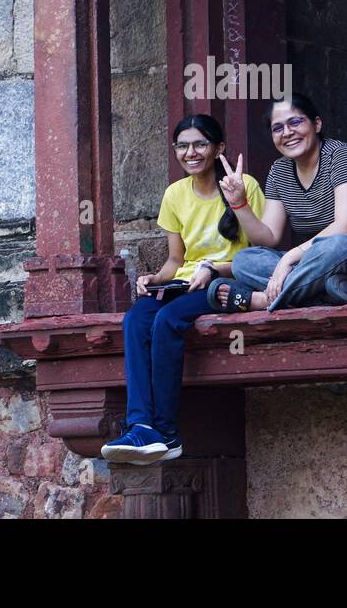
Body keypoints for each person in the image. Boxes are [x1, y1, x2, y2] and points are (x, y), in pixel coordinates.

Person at [101, 114, 264, 465]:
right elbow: (176, 259)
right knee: (136, 320)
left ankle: (166, 431)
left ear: (218, 148)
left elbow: (259, 257)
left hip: (226, 282)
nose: (191, 152)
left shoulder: (242, 185)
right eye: (183, 145)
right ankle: (141, 425)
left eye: (200, 144)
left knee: (168, 321)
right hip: (185, 282)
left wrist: (212, 268)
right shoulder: (175, 194)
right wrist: (154, 279)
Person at [213, 92, 347, 312]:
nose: (287, 133)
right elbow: (268, 237)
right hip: (318, 265)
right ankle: (329, 294)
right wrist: (239, 203)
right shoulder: (279, 171)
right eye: (278, 128)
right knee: (244, 260)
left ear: (317, 124)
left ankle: (266, 300)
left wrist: (289, 259)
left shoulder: (342, 155)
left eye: (295, 122)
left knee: (336, 245)